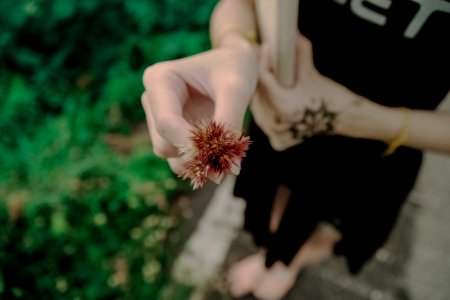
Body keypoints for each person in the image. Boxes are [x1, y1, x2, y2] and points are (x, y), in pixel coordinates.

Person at [141, 0, 450, 299]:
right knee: (274, 210)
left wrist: (356, 116)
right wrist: (235, 46)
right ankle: (273, 257)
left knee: (334, 228)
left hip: (381, 146)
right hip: (282, 126)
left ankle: (289, 263)